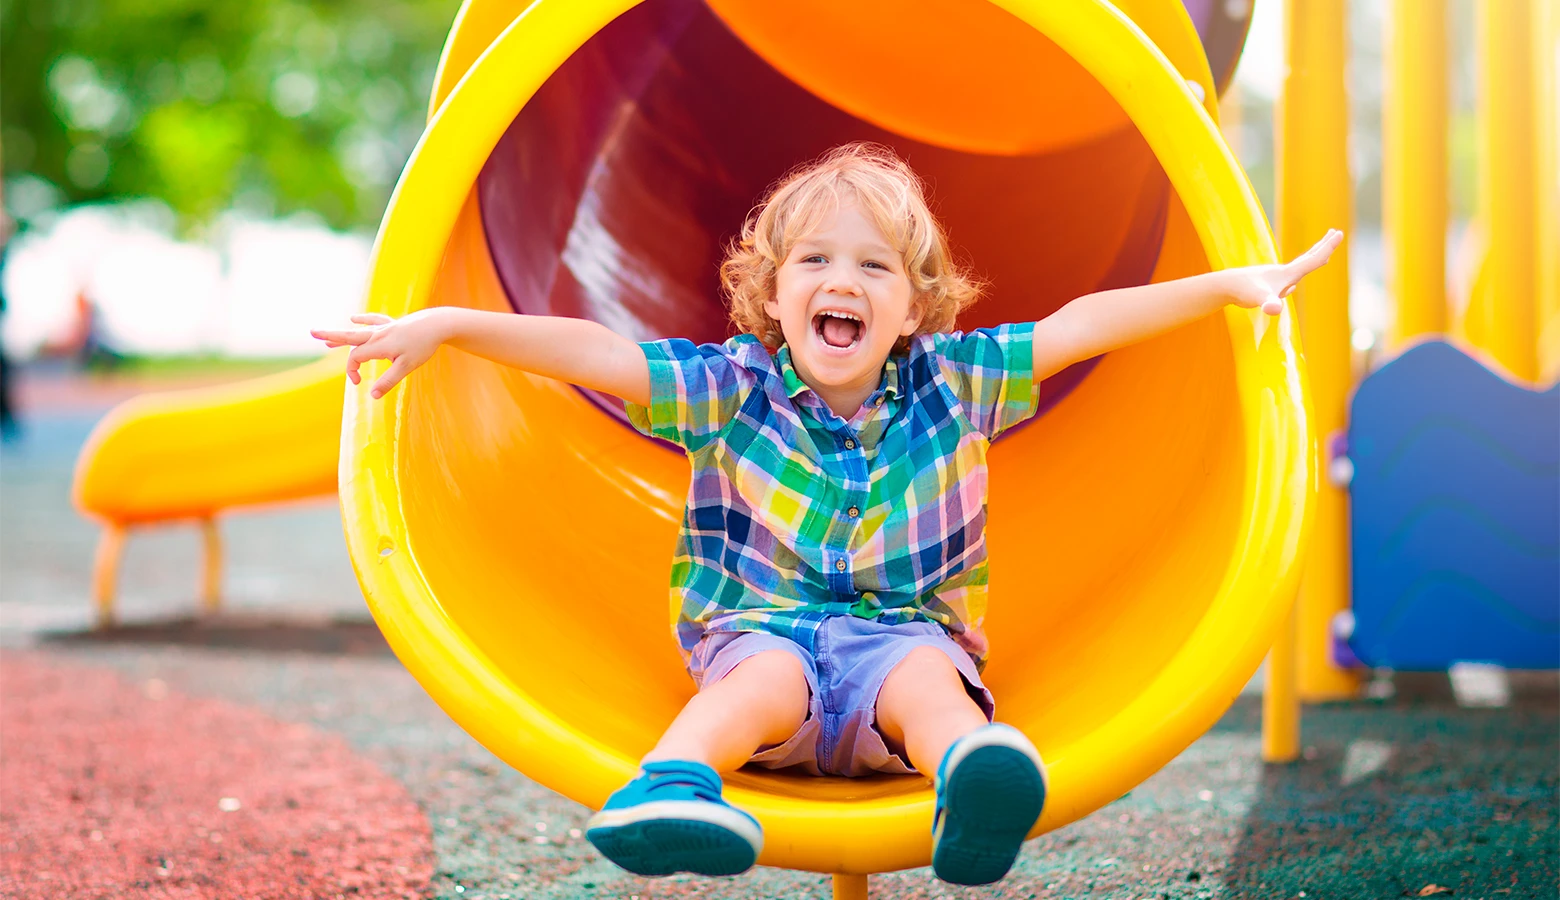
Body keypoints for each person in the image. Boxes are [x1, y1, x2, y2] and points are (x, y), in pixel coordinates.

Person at [313, 143, 1341, 886]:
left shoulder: (957, 379)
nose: (840, 282)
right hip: (765, 642)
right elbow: (596, 353)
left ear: (915, 306)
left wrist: (1225, 286)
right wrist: (446, 325)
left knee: (930, 681)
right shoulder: (731, 385)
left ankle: (973, 778)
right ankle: (670, 787)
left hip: (900, 643)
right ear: (771, 292)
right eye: (813, 262)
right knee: (759, 673)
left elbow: (1082, 326)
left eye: (873, 267)